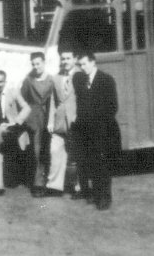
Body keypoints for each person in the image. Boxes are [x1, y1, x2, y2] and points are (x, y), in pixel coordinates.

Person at [72, 52, 120, 211]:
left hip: (103, 130)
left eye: (85, 64)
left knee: (103, 164)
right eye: (80, 65)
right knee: (91, 163)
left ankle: (105, 197)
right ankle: (95, 193)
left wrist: (96, 122)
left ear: (93, 62)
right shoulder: (80, 80)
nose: (82, 67)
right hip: (86, 131)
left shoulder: (106, 80)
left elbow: (113, 107)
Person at [0, 70, 31, 198]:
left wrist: (15, 122)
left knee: (1, 131)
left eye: (1, 81)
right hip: (0, 134)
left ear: (5, 82)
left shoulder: (13, 93)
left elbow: (27, 108)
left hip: (14, 131)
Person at [20, 51, 55, 197]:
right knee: (36, 150)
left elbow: (55, 99)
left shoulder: (51, 80)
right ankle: (38, 183)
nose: (36, 67)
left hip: (49, 116)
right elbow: (22, 100)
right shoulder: (28, 80)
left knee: (49, 149)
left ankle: (51, 181)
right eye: (33, 64)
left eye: (38, 63)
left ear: (44, 62)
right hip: (34, 118)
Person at [45, 49, 78, 197]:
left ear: (74, 59)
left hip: (75, 121)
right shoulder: (56, 78)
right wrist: (51, 120)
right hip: (59, 122)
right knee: (55, 151)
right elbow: (52, 100)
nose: (65, 62)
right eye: (63, 59)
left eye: (68, 58)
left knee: (76, 155)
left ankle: (78, 187)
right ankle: (54, 186)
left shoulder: (80, 76)